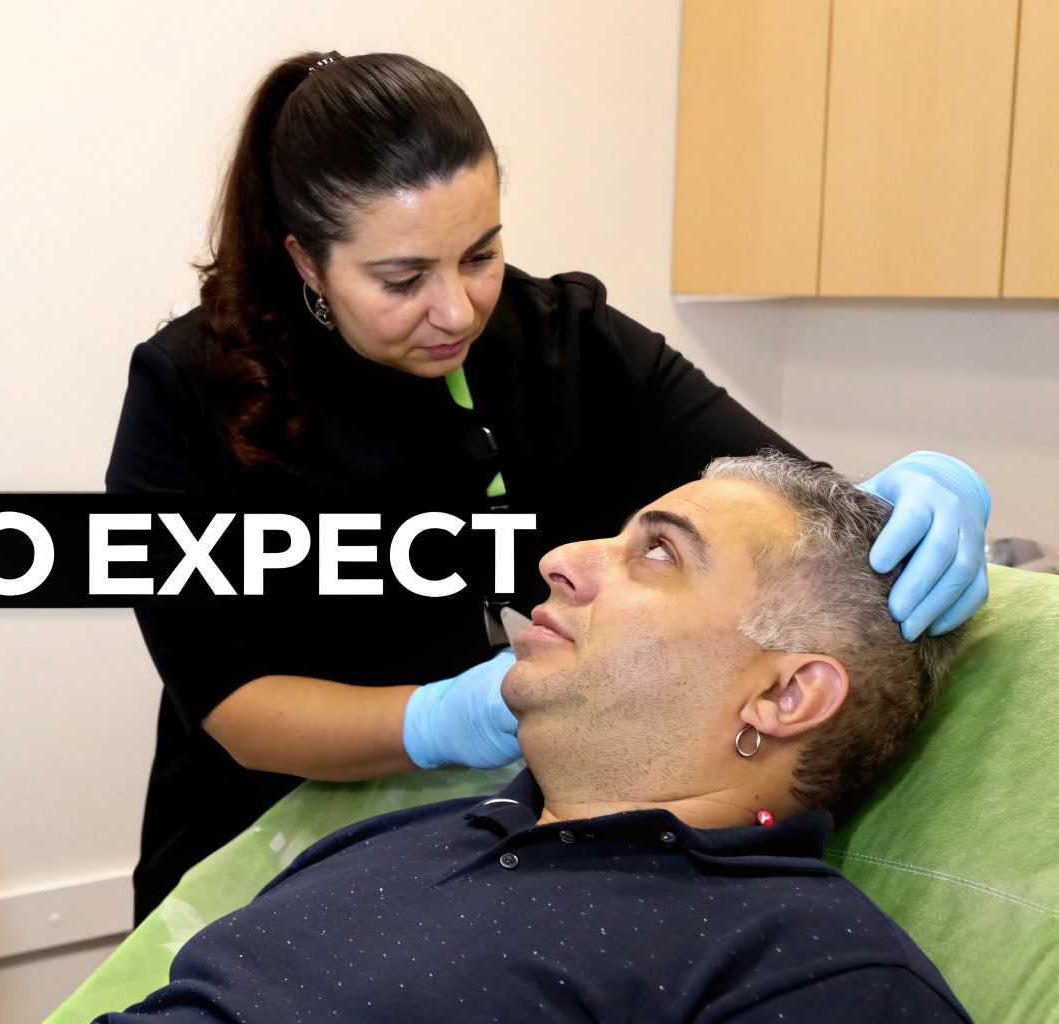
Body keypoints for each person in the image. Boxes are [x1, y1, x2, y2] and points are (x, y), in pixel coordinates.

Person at [103, 50, 993, 922]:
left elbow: (790, 512)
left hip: (479, 841)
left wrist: (909, 499)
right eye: (403, 279)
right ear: (308, 263)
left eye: (481, 255)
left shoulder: (571, 343)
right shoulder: (191, 389)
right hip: (253, 843)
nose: (456, 310)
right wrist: (445, 717)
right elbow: (235, 706)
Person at [98, 453, 973, 1022]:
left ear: (786, 694)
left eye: (658, 554)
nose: (561, 558)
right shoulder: (408, 837)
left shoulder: (804, 966)